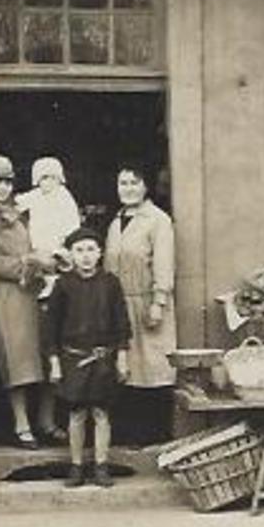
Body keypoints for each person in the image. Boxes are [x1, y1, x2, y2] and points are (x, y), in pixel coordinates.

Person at [0, 155, 50, 449]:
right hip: (7, 297)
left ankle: (46, 420)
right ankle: (21, 423)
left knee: (45, 356)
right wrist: (30, 262)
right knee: (16, 361)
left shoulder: (23, 211)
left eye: (6, 181)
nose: (2, 188)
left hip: (36, 291)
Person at [45, 226, 132, 488]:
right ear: (71, 254)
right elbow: (50, 329)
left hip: (103, 359)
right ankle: (76, 465)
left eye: (91, 250)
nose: (85, 256)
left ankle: (101, 464)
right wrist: (55, 363)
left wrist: (122, 357)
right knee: (77, 413)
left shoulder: (110, 283)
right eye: (79, 250)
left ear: (100, 253)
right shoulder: (63, 285)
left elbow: (122, 323)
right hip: (73, 359)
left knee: (101, 413)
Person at [103, 165, 177, 446]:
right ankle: (131, 433)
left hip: (148, 302)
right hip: (120, 304)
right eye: (123, 183)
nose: (128, 188)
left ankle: (156, 433)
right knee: (127, 369)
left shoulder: (158, 220)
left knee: (154, 368)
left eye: (134, 182)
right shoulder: (116, 221)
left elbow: (163, 263)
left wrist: (158, 301)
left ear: (145, 186)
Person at [14, 155, 82, 443]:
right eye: (42, 178)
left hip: (59, 278)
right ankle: (28, 420)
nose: (47, 183)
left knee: (55, 354)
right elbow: (12, 210)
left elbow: (72, 236)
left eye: (52, 177)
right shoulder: (30, 200)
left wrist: (60, 256)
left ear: (61, 178)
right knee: (30, 357)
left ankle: (47, 417)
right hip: (31, 283)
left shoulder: (66, 202)